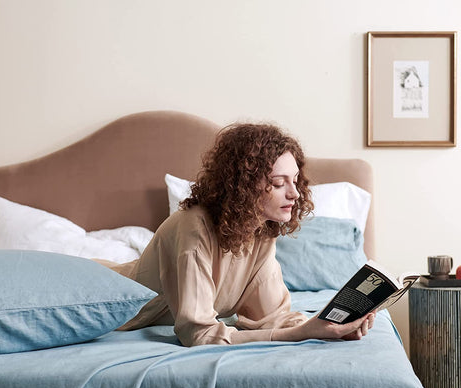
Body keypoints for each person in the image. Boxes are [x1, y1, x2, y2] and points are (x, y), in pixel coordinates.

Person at [111, 123, 375, 346]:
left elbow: (272, 317)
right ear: (244, 185)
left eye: (295, 181)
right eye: (278, 183)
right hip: (108, 297)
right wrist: (298, 334)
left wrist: (328, 326)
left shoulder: (260, 233)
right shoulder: (193, 227)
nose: (294, 194)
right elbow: (198, 334)